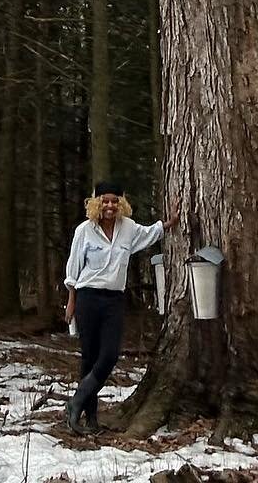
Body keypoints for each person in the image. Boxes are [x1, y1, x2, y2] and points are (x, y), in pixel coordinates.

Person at [62, 180, 179, 434]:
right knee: (89, 358)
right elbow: (73, 268)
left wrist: (168, 223)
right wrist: (71, 301)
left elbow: (149, 234)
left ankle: (76, 402)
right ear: (96, 203)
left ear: (121, 203)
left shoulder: (128, 228)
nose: (110, 206)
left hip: (114, 300)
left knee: (109, 356)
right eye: (105, 200)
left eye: (115, 201)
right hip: (87, 297)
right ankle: (89, 418)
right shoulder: (85, 230)